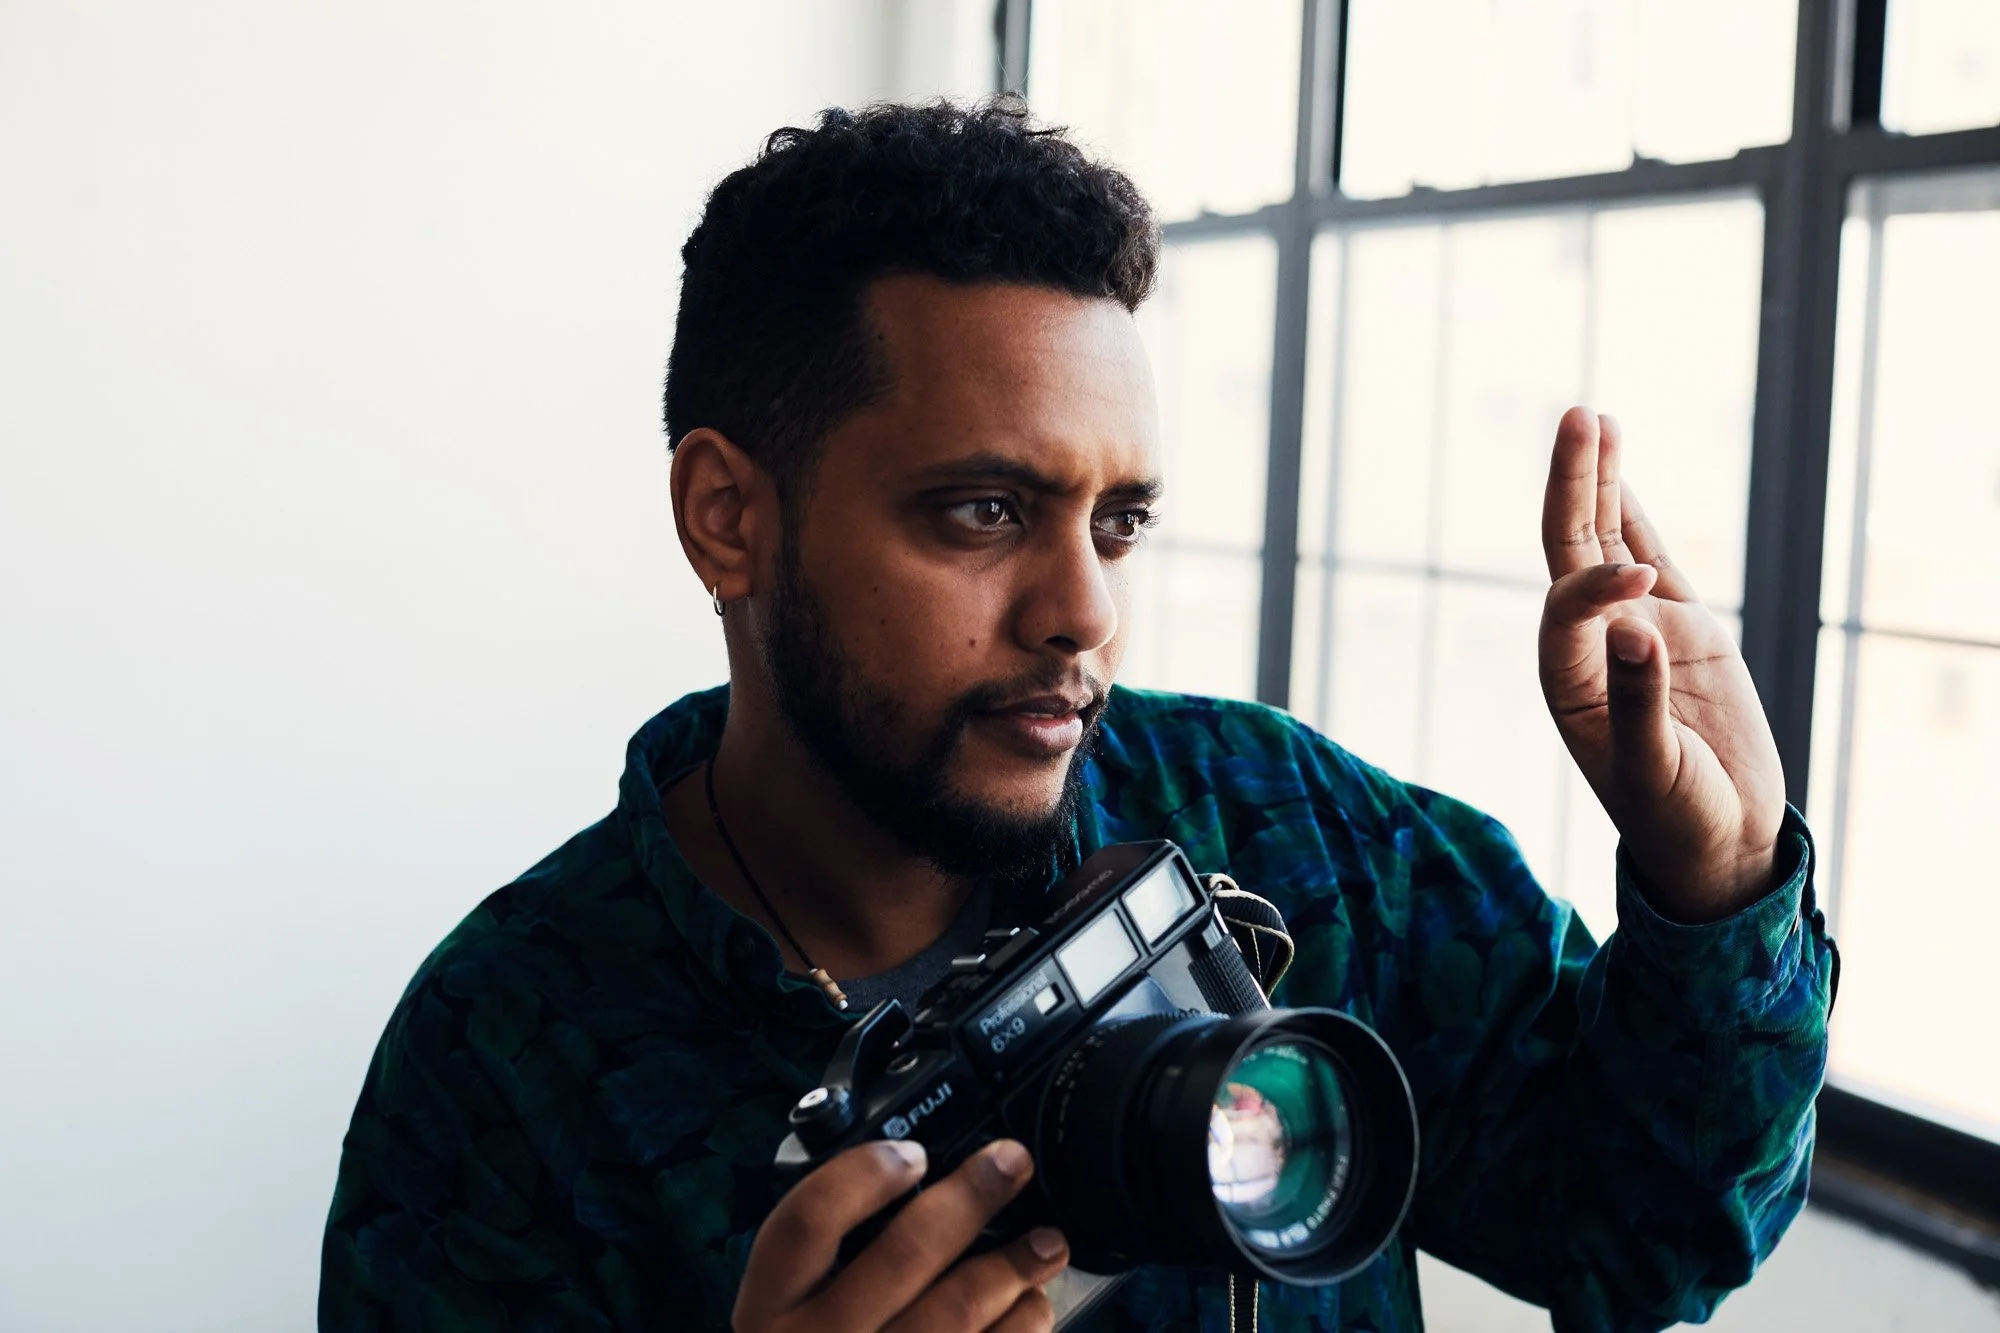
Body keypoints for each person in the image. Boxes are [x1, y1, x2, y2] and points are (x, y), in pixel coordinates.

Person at [319, 99, 1835, 1333]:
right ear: (730, 519)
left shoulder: (1278, 823)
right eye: (983, 511)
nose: (1084, 613)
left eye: (1118, 524)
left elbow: (1641, 1239)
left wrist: (1720, 877)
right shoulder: (506, 1062)